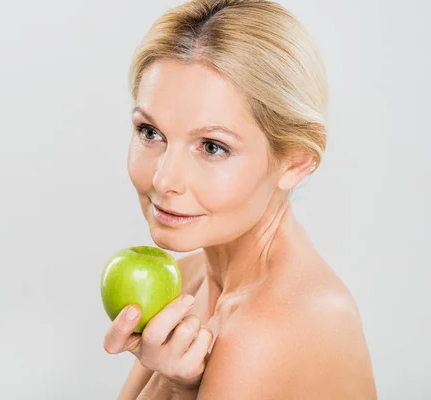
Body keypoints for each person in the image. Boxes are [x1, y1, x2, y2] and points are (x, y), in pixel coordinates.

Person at [102, 0, 377, 398]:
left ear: (295, 162)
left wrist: (173, 387)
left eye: (212, 147)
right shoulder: (193, 277)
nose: (164, 180)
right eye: (150, 132)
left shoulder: (271, 325)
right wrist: (175, 380)